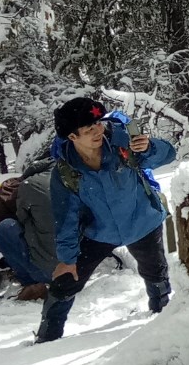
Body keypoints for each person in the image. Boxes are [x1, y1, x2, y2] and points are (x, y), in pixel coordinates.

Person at [36, 98, 178, 343]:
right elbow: (65, 217)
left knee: (155, 274)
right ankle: (46, 339)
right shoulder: (66, 172)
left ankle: (163, 321)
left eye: (98, 124)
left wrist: (150, 148)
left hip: (142, 222)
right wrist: (68, 259)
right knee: (66, 282)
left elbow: (168, 155)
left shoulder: (122, 141)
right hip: (100, 233)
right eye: (89, 130)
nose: (98, 132)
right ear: (72, 137)